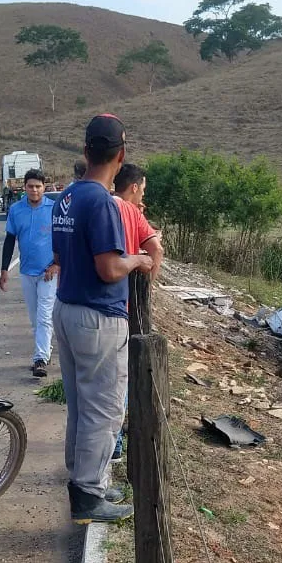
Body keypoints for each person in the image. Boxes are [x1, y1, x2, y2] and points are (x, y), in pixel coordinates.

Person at [52, 115, 153, 524]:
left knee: (80, 406)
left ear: (85, 151)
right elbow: (110, 268)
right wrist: (139, 259)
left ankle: (84, 481)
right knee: (105, 410)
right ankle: (88, 496)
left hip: (67, 308)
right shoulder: (104, 202)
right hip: (97, 316)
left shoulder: (67, 197)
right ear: (121, 155)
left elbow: (62, 256)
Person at [109, 162, 165, 459]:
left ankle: (108, 444)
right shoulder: (132, 212)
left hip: (96, 303)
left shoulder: (101, 205)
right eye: (142, 188)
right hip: (126, 303)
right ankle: (116, 444)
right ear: (134, 187)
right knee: (122, 376)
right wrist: (148, 283)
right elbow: (156, 249)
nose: (142, 192)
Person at [0, 169, 57, 377]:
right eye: (31, 186)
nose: (34, 190)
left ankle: (40, 359)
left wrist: (57, 265)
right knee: (35, 318)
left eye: (38, 186)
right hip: (26, 272)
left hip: (48, 272)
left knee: (44, 316)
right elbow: (9, 240)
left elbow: (64, 238)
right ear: (25, 187)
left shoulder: (53, 209)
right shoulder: (16, 210)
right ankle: (45, 349)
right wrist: (4, 269)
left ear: (44, 187)